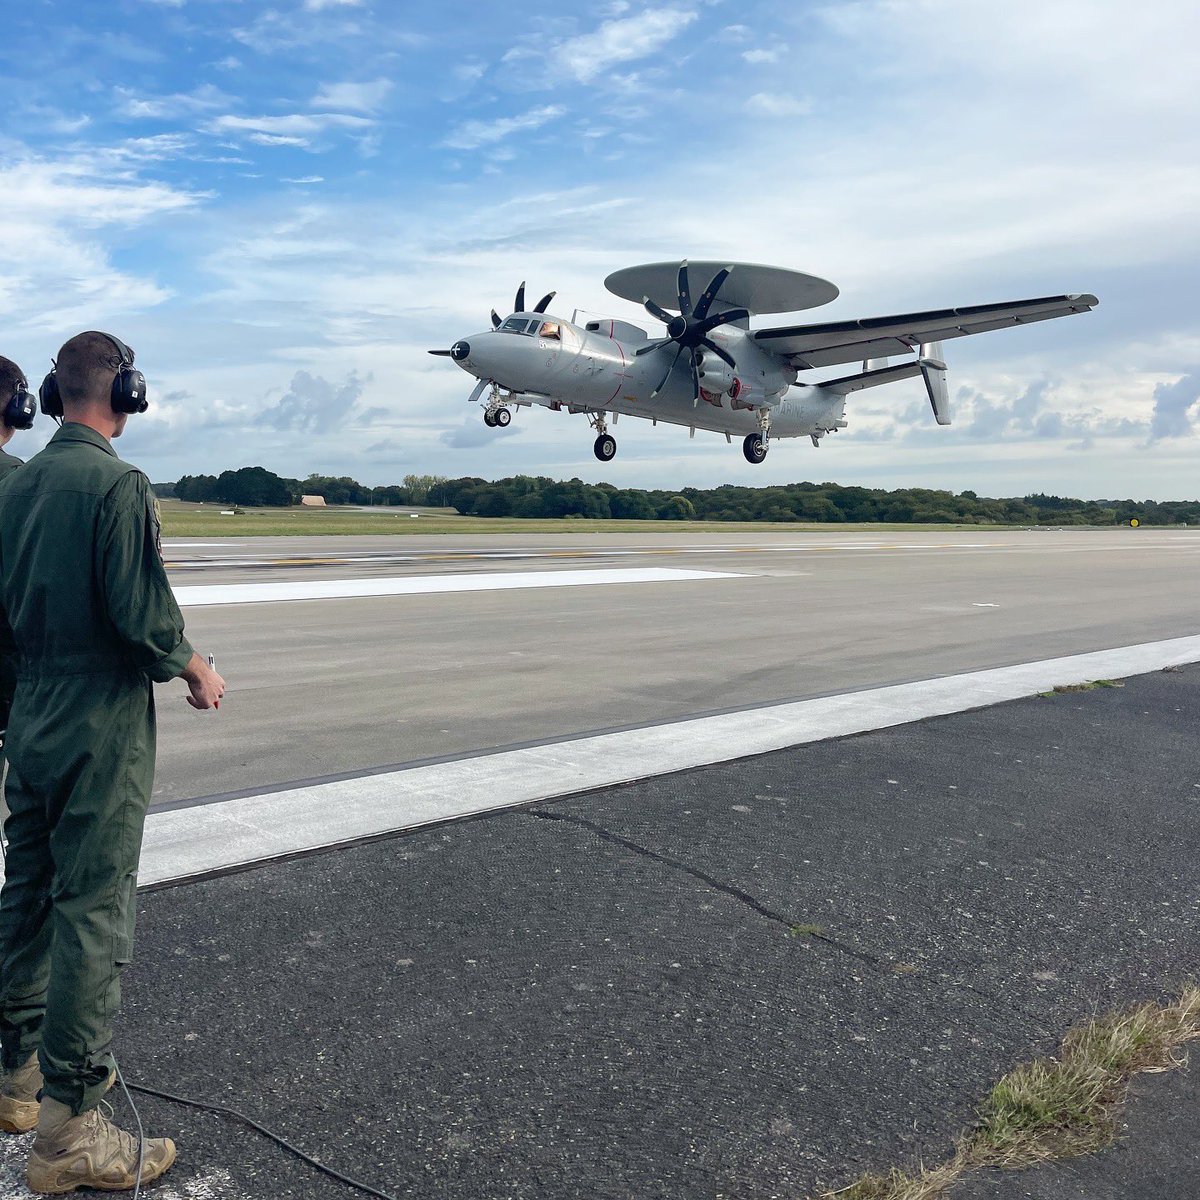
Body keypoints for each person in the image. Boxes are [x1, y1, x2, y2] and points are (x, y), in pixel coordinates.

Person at [0, 331, 225, 1193]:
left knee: (29, 888)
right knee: (94, 909)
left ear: (51, 397)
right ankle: (70, 1129)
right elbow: (141, 615)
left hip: (32, 714)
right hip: (98, 719)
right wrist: (195, 666)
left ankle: (14, 1067)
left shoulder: (17, 489)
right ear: (125, 392)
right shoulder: (116, 484)